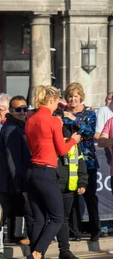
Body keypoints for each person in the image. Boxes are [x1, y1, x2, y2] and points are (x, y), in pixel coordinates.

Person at [25, 85, 81, 259]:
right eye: (57, 101)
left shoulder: (30, 120)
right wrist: (73, 140)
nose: (58, 105)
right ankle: (37, 253)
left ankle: (35, 253)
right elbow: (63, 150)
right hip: (47, 171)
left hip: (32, 171)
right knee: (57, 217)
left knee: (39, 219)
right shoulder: (53, 120)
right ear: (51, 100)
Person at [0, 96, 33, 246]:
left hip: (14, 182)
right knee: (0, 218)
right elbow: (12, 160)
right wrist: (21, 187)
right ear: (11, 111)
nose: (22, 112)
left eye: (24, 109)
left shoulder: (20, 126)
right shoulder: (11, 129)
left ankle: (31, 248)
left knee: (24, 215)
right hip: (8, 184)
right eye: (18, 110)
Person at [63, 82, 100, 241]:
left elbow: (90, 131)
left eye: (75, 96)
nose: (72, 100)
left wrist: (73, 118)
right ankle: (75, 231)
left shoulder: (89, 113)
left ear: (81, 97)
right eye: (70, 96)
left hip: (87, 160)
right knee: (72, 199)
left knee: (90, 196)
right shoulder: (63, 112)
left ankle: (95, 230)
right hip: (70, 160)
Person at [53, 108, 88, 259]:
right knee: (50, 218)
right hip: (51, 183)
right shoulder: (47, 138)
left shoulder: (71, 139)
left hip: (68, 185)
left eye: (60, 121)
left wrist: (82, 182)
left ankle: (64, 250)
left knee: (63, 219)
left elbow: (80, 162)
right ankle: (37, 250)